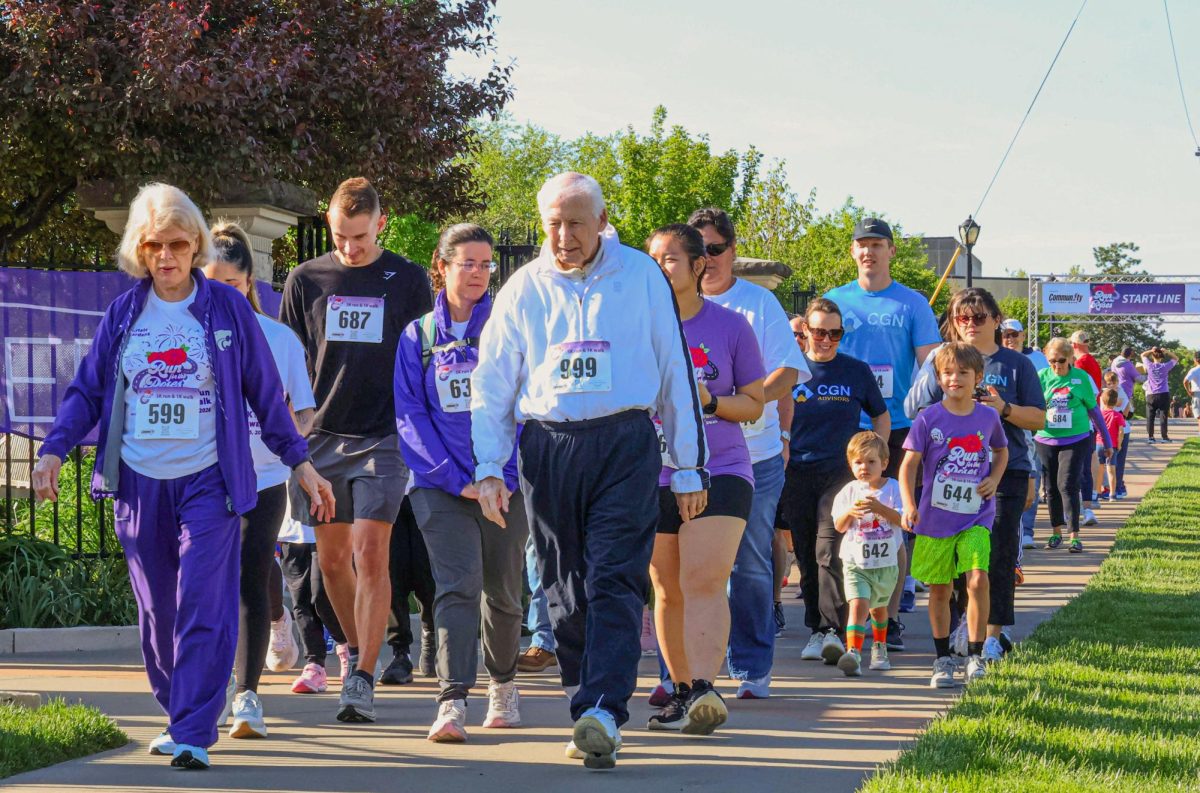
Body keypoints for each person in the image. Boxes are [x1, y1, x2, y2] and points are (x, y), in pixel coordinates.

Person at [31, 183, 334, 770]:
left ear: (195, 244)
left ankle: (195, 728)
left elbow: (266, 396)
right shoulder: (124, 314)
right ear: (139, 251)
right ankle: (178, 713)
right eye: (153, 245)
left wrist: (299, 460)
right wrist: (53, 450)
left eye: (177, 243)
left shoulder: (225, 310)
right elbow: (87, 391)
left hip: (209, 481)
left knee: (203, 598)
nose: (166, 256)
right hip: (139, 482)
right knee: (157, 612)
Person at [471, 173, 708, 770]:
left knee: (614, 578)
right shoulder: (522, 287)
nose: (564, 235)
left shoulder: (640, 277)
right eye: (553, 222)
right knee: (562, 588)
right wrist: (489, 466)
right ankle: (587, 707)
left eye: (576, 222)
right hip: (549, 447)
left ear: (602, 222)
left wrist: (687, 466)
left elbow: (674, 370)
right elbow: (493, 382)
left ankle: (605, 707)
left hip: (626, 443)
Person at [280, 177, 433, 723]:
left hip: (384, 437)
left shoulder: (410, 279)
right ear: (330, 224)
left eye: (361, 237)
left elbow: (423, 357)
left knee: (371, 553)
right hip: (321, 438)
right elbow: (291, 363)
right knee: (332, 562)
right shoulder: (306, 279)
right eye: (341, 236)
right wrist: (291, 436)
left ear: (381, 223)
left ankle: (363, 678)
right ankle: (350, 649)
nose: (350, 247)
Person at [394, 223, 529, 742]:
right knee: (457, 586)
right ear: (442, 265)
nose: (477, 273)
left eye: (485, 264)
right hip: (439, 487)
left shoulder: (508, 327)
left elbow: (524, 409)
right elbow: (410, 416)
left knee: (503, 590)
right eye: (466, 263)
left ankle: (504, 683)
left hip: (506, 485)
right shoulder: (418, 337)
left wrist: (501, 477)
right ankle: (452, 701)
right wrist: (456, 480)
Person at [643, 224, 764, 734]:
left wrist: (707, 399)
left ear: (698, 266)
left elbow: (754, 405)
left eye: (671, 258)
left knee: (703, 580)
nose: (661, 267)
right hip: (653, 473)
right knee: (667, 588)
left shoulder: (732, 327)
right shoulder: (637, 328)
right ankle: (680, 691)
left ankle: (705, 690)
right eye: (653, 259)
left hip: (722, 469)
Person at [202, 221, 317, 739]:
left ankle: (247, 696)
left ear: (248, 282)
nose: (219, 292)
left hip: (264, 478)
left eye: (230, 283)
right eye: (210, 282)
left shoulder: (279, 338)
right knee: (205, 590)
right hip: (199, 480)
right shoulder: (188, 334)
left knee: (251, 583)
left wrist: (289, 444)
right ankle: (208, 692)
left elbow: (305, 412)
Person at [688, 207, 807, 700]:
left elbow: (788, 371)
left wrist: (749, 402)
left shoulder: (757, 304)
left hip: (752, 454)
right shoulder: (671, 305)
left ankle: (752, 667)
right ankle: (693, 669)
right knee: (691, 566)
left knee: (751, 562)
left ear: (732, 252)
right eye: (699, 251)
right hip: (685, 459)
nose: (708, 259)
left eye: (716, 249)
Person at [907, 289, 1044, 662]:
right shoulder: (942, 360)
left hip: (1004, 472)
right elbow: (913, 408)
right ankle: (960, 627)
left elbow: (1038, 419)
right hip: (949, 476)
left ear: (996, 320)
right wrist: (940, 378)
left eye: (979, 317)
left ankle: (993, 634)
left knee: (994, 556)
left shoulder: (1018, 364)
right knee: (951, 559)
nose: (971, 324)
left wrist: (1003, 407)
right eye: (962, 317)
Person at [824, 218, 942, 652]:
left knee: (895, 522)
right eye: (862, 245)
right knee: (845, 521)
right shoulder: (836, 300)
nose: (869, 251)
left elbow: (931, 366)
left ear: (891, 250)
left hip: (898, 426)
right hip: (844, 424)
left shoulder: (911, 303)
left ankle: (889, 617)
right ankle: (846, 619)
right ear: (853, 252)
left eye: (877, 244)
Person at [781, 298, 888, 666]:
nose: (826, 340)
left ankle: (832, 631)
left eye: (835, 333)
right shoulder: (789, 371)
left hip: (840, 477)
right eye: (819, 332)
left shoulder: (855, 371)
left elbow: (881, 416)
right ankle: (818, 628)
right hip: (796, 472)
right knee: (807, 555)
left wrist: (877, 458)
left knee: (829, 550)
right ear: (805, 332)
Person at [899, 343, 1009, 688]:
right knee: (940, 590)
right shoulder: (928, 418)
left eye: (963, 373)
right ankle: (942, 657)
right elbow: (908, 465)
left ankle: (975, 656)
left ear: (978, 377)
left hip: (976, 516)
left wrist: (993, 478)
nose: (955, 379)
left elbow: (1001, 450)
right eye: (947, 372)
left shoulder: (987, 416)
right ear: (938, 377)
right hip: (935, 519)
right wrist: (909, 504)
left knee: (977, 579)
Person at [831, 432, 903, 676]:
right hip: (855, 562)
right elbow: (839, 526)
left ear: (884, 463)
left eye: (871, 462)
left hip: (885, 562)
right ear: (850, 465)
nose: (864, 468)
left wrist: (880, 508)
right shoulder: (848, 492)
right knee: (858, 604)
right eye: (858, 463)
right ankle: (853, 653)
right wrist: (850, 512)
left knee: (878, 609)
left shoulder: (893, 488)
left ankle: (879, 646)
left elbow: (904, 521)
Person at [1035, 338, 1113, 553]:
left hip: (1076, 438)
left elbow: (1094, 411)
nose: (1057, 365)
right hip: (1046, 438)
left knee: (1067, 484)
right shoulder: (1041, 378)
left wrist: (1107, 441)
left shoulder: (1080, 378)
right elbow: (1032, 408)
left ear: (1070, 358)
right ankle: (1056, 533)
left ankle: (1074, 536)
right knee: (1050, 487)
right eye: (1052, 361)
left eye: (1061, 360)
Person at [277, 513, 351, 694]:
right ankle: (315, 665)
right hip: (291, 529)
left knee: (321, 596)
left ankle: (348, 649)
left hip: (328, 521)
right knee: (301, 602)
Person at [1000, 318, 1049, 548]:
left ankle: (1027, 530)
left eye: (1014, 334)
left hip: (1029, 426)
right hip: (1007, 429)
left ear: (1022, 336)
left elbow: (1045, 392)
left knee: (1031, 478)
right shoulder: (997, 359)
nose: (1010, 339)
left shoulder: (1036, 359)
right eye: (1006, 335)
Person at [380, 500, 437, 683]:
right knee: (392, 575)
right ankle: (400, 652)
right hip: (386, 489)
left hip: (427, 487)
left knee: (427, 574)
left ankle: (431, 632)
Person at [1070, 331, 1103, 518]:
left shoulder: (1081, 363)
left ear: (1074, 346)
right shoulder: (1092, 360)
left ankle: (1087, 499)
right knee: (1090, 459)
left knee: (1083, 463)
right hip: (1091, 413)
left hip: (1082, 415)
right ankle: (1093, 494)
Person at [1099, 371, 1132, 499]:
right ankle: (1113, 487)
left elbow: (1124, 405)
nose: (1112, 385)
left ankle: (1117, 488)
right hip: (1109, 430)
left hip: (1120, 430)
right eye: (1109, 383)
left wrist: (1122, 418)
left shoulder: (1119, 391)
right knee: (1108, 463)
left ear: (1118, 382)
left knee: (1117, 462)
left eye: (1114, 383)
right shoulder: (1105, 393)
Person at [1141, 346, 1178, 442]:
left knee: (1150, 416)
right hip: (1163, 393)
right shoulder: (1165, 366)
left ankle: (1150, 437)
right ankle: (1164, 437)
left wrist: (1151, 350)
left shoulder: (1149, 365)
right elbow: (1176, 358)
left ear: (1153, 356)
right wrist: (1167, 351)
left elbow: (1143, 355)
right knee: (1163, 416)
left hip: (1151, 394)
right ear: (1161, 357)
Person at [1096, 389, 1127, 503]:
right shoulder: (1118, 415)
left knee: (1099, 470)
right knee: (1111, 470)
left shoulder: (1099, 414)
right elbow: (1120, 432)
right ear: (1116, 402)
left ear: (1103, 401)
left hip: (1099, 444)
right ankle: (1112, 494)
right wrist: (1119, 444)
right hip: (1112, 445)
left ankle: (1098, 492)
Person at [1184, 351, 1200, 433]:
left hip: (1198, 394)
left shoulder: (1194, 370)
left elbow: (1185, 381)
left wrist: (1189, 391)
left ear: (1196, 360)